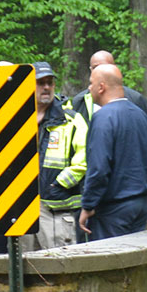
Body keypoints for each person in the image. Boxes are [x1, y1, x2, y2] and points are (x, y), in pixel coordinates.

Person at [79, 62, 147, 240]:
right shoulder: (141, 115)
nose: (88, 88)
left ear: (101, 87)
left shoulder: (103, 118)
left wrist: (88, 206)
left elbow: (98, 168)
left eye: (91, 83)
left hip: (114, 208)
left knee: (111, 261)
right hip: (142, 203)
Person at [34, 62, 87, 249]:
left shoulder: (71, 120)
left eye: (50, 82)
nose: (46, 87)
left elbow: (84, 159)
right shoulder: (16, 120)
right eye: (40, 83)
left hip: (56, 209)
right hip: (23, 207)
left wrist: (58, 184)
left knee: (58, 269)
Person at [89, 48, 147, 125]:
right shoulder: (80, 101)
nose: (100, 70)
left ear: (115, 67)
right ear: (91, 69)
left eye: (105, 66)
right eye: (95, 67)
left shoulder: (136, 100)